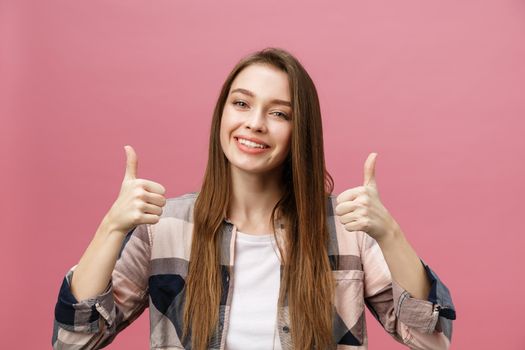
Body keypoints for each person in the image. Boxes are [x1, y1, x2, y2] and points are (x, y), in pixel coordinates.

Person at [52, 47, 456, 350]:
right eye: (241, 103)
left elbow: (431, 339)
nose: (255, 123)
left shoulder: (349, 231)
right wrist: (111, 227)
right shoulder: (163, 230)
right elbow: (74, 341)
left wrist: (390, 235)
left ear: (301, 131)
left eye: (279, 113)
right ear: (222, 115)